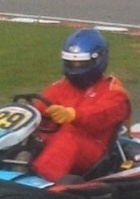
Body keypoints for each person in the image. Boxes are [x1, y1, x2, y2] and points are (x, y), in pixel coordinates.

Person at [33, 27, 131, 181]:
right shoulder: (59, 87)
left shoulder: (113, 92)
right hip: (56, 140)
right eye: (71, 62)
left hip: (93, 147)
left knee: (68, 138)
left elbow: (100, 115)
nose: (75, 66)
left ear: (97, 60)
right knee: (28, 135)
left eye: (80, 62)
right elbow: (39, 109)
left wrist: (72, 115)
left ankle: (42, 180)